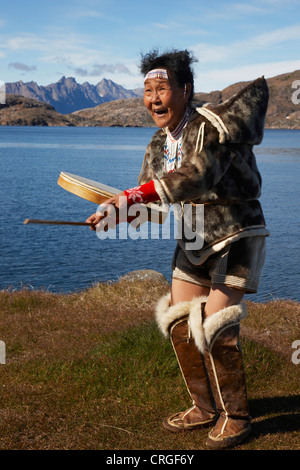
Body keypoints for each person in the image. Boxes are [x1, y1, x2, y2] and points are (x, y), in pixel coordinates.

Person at [86, 49, 270, 450]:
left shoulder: (212, 129)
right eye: (148, 90)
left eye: (162, 88)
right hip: (192, 237)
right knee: (179, 323)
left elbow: (200, 174)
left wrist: (132, 196)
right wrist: (114, 213)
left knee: (217, 326)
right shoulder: (156, 144)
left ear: (186, 90)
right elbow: (148, 202)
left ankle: (236, 417)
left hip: (236, 232)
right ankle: (204, 407)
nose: (154, 98)